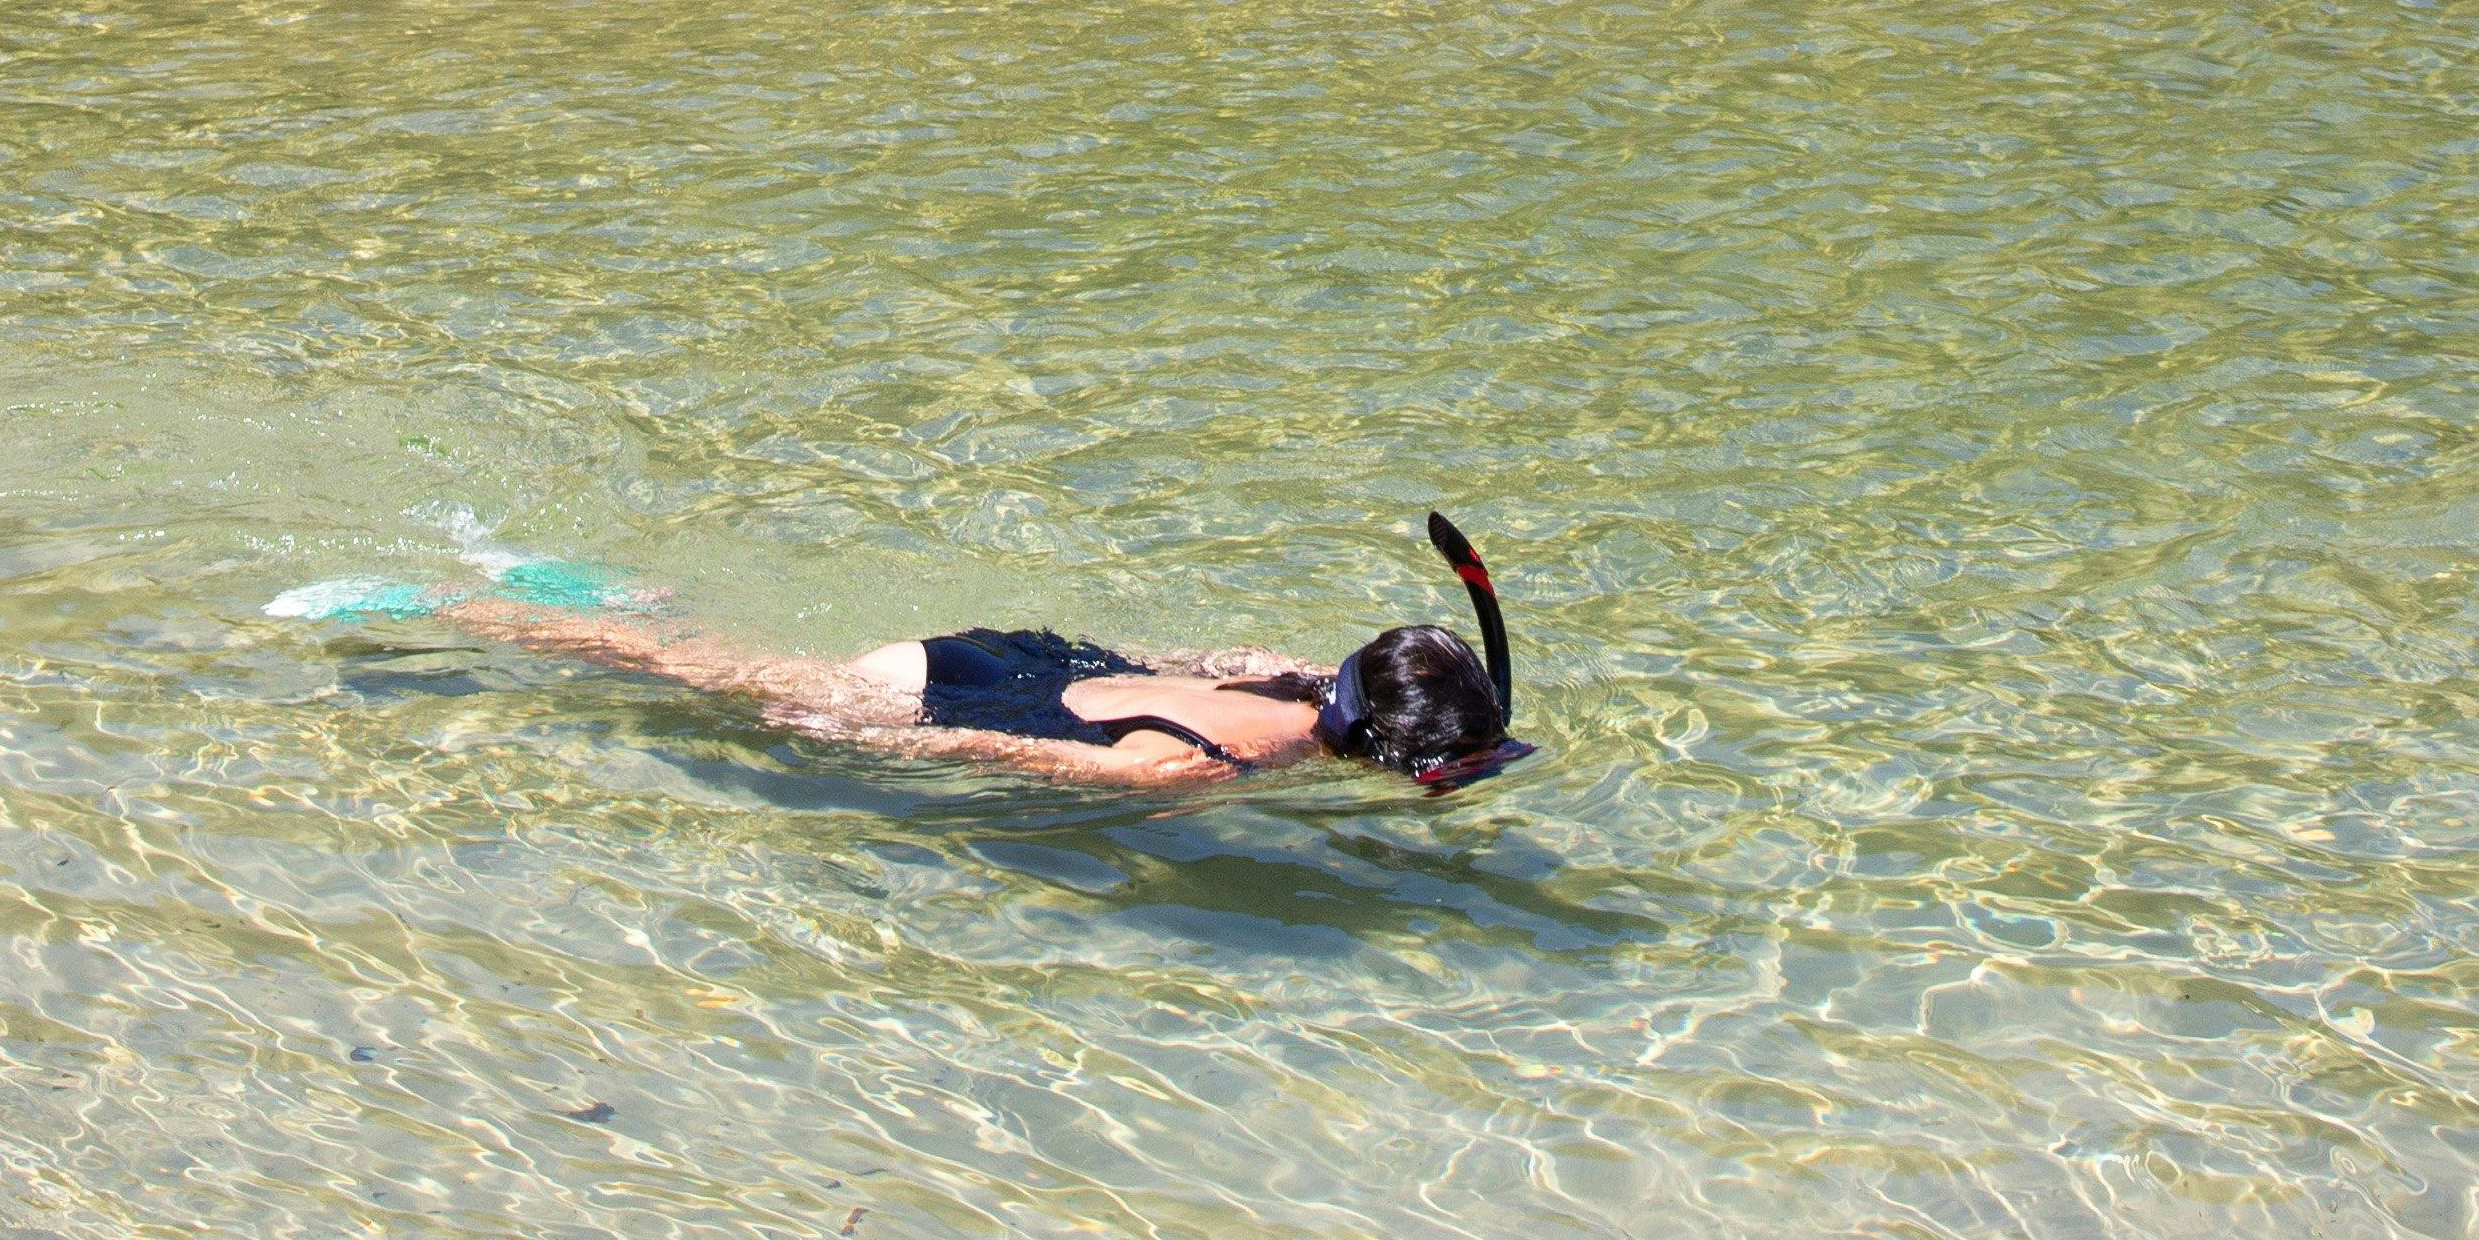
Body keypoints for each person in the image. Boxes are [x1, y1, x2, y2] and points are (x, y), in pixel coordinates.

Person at [270, 508, 1532, 800]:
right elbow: (1011, 762)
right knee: (691, 676)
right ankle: (446, 606)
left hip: (1021, 651)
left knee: (703, 645)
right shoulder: (1200, 774)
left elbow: (1210, 664)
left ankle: (550, 578)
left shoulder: (1295, 674)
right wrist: (863, 733)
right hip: (951, 693)